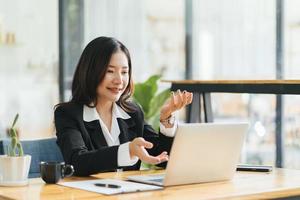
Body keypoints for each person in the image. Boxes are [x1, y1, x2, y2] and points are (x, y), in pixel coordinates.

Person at [54, 36, 193, 176]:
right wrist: (128, 151)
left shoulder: (132, 112)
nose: (119, 80)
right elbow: (77, 162)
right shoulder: (68, 114)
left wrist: (166, 119)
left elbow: (163, 159)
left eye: (124, 72)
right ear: (90, 72)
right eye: (110, 71)